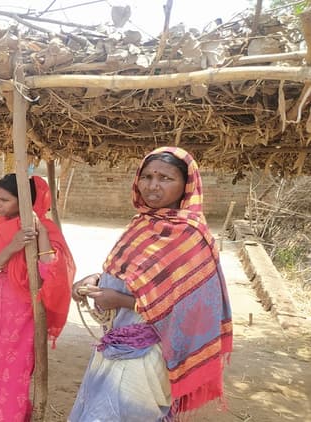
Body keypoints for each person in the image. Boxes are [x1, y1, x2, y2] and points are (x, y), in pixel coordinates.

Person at [68, 147, 233, 421]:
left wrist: (121, 301)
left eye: (165, 178)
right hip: (116, 342)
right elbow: (127, 277)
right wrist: (94, 280)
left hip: (148, 351)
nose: (152, 185)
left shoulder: (190, 235)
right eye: (147, 176)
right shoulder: (140, 225)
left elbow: (193, 307)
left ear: (186, 185)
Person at [0, 173, 76, 422]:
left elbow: (50, 271)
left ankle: (9, 416)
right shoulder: (2, 227)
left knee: (16, 367)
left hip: (28, 308)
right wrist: (13, 245)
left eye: (4, 200)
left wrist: (41, 234)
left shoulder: (46, 229)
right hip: (2, 305)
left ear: (24, 202)